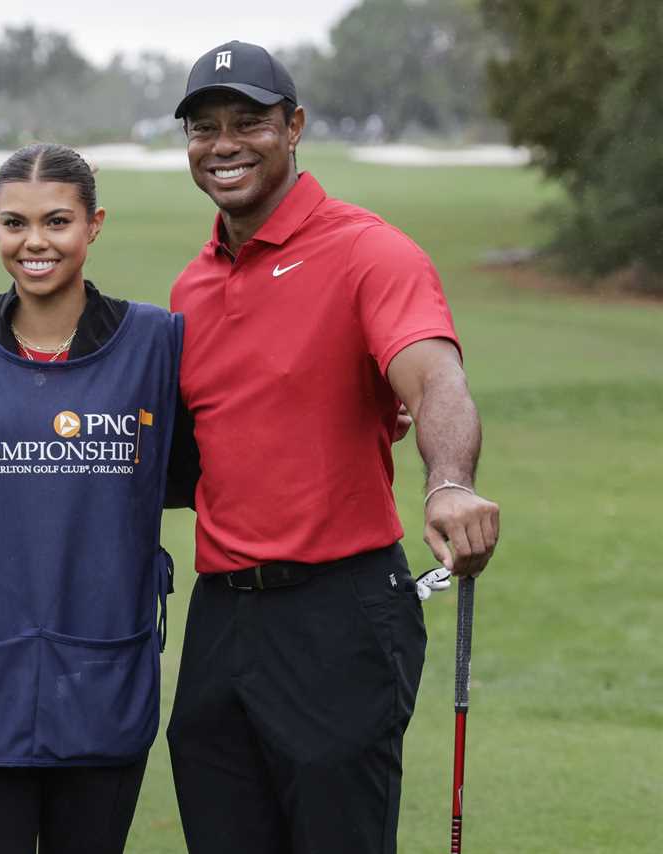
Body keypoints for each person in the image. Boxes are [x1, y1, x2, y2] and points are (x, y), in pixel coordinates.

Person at [163, 41, 501, 853]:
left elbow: (435, 377)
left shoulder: (369, 252)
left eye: (250, 122)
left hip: (338, 613)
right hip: (220, 620)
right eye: (204, 128)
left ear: (295, 127)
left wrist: (448, 481)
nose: (225, 144)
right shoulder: (191, 287)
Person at [0, 143, 183, 854]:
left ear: (95, 225)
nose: (35, 242)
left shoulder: (156, 342)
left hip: (105, 679)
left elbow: (215, 459)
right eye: (15, 223)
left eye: (57, 221)